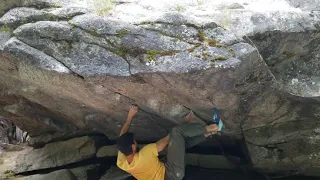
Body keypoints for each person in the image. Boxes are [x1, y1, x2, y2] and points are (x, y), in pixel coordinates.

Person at [116, 105, 219, 180]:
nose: (135, 141)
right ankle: (213, 126)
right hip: (172, 174)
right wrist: (185, 123)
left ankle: (209, 134)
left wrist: (130, 117)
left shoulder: (122, 162)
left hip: (164, 168)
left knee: (178, 144)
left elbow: (122, 136)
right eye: (134, 141)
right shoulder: (145, 154)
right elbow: (167, 139)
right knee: (177, 133)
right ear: (133, 146)